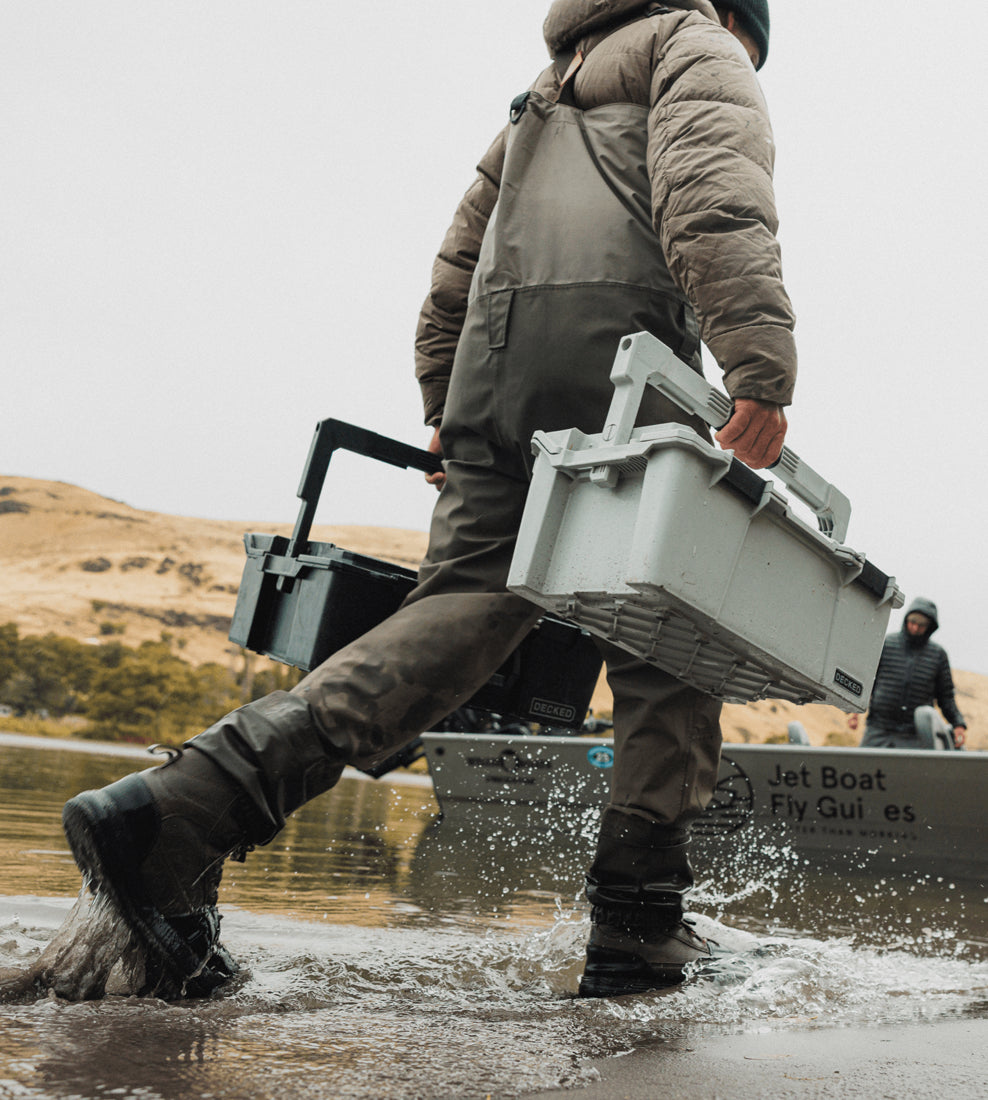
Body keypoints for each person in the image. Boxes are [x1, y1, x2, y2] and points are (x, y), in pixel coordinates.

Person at [62, 0, 796, 1000]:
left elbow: (459, 264)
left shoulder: (543, 92)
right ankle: (638, 930)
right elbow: (714, 199)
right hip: (620, 369)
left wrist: (445, 406)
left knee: (459, 608)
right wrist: (758, 364)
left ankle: (192, 799)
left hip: (493, 385)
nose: (753, 67)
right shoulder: (697, 47)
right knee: (668, 640)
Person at [850, 597, 967, 750]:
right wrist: (854, 711)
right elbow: (867, 683)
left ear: (930, 626)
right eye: (912, 622)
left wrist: (958, 723)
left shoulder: (938, 655)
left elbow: (946, 696)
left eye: (921, 625)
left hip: (915, 736)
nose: (915, 628)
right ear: (906, 620)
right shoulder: (886, 645)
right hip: (878, 730)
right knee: (865, 770)